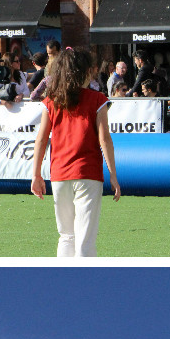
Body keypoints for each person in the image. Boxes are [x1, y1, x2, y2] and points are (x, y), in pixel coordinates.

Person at [29, 47, 122, 257]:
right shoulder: (97, 99)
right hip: (88, 173)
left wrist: (36, 174)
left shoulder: (51, 101)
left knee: (66, 236)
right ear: (86, 71)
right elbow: (104, 139)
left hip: (59, 174)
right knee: (85, 238)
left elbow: (41, 139)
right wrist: (113, 175)